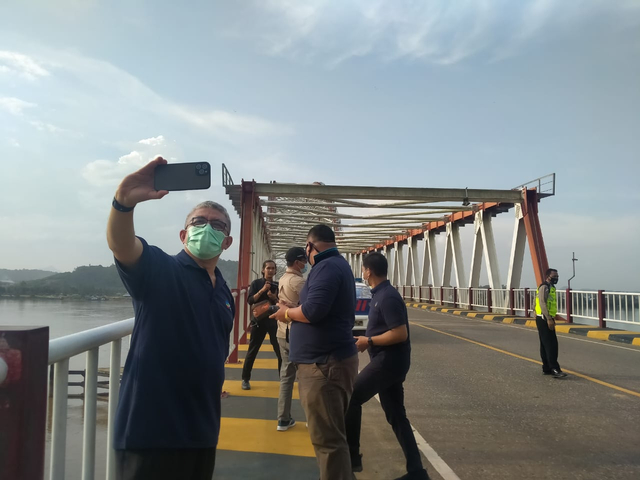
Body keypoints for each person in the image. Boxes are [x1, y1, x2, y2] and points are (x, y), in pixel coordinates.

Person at [107, 156, 235, 480]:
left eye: (217, 225)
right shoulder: (161, 270)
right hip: (152, 435)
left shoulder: (224, 292)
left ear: (227, 241)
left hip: (202, 432)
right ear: (183, 235)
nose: (207, 228)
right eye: (199, 222)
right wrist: (124, 202)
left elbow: (216, 345)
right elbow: (123, 246)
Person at [271, 224, 358, 480]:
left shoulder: (327, 267)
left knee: (328, 442)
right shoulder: (334, 265)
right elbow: (315, 307)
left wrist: (286, 313)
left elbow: (312, 312)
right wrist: (294, 308)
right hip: (326, 362)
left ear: (310, 246)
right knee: (331, 436)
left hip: (324, 366)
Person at [346, 252, 430, 480]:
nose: (363, 273)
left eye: (363, 269)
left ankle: (351, 459)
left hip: (388, 362)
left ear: (368, 271)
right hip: (388, 362)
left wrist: (369, 341)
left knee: (352, 396)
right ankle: (417, 472)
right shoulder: (380, 295)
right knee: (396, 415)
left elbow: (400, 333)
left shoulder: (387, 297)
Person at [275, 246, 308, 431]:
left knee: (286, 377)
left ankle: (283, 419)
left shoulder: (282, 278)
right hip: (297, 334)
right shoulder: (298, 282)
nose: (305, 264)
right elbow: (310, 307)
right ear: (297, 262)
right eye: (303, 260)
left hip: (281, 332)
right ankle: (312, 417)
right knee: (306, 378)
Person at [242, 260, 282, 390]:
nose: (270, 270)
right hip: (259, 322)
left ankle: (283, 379)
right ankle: (245, 379)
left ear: (275, 271)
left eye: (272, 268)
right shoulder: (256, 283)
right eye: (268, 268)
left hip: (274, 321)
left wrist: (274, 297)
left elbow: (281, 303)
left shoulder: (278, 284)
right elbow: (250, 300)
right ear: (263, 270)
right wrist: (262, 290)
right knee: (253, 351)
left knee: (280, 352)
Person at [535, 268, 567, 378]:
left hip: (545, 317)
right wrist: (548, 318)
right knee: (551, 345)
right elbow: (542, 302)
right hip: (544, 318)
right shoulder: (544, 287)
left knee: (545, 344)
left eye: (557, 276)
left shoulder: (551, 287)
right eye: (554, 276)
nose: (556, 278)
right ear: (548, 276)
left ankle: (547, 368)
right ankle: (555, 369)